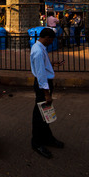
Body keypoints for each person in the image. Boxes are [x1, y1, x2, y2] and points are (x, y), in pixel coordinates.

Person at [30, 28, 64, 159]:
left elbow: (42, 66)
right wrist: (46, 94)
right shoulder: (38, 51)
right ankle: (37, 142)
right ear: (47, 38)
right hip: (42, 85)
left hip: (45, 84)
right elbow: (40, 74)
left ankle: (47, 137)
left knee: (45, 113)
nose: (52, 43)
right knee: (40, 115)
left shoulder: (40, 47)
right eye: (51, 40)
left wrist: (51, 64)